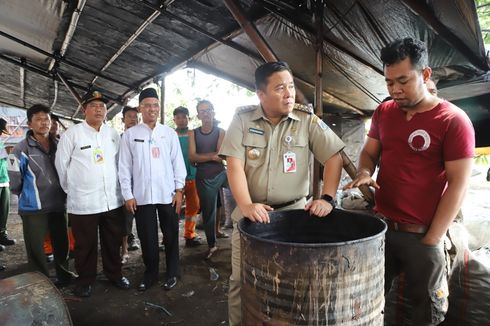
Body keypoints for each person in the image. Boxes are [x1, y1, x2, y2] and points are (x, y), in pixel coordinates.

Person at [344, 38, 474, 325]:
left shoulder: (453, 120)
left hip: (423, 235)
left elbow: (458, 185)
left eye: (403, 80)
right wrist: (365, 172)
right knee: (366, 301)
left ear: (425, 74)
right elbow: (368, 152)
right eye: (389, 82)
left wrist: (433, 238)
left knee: (426, 312)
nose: (395, 90)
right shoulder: (384, 111)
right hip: (381, 230)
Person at [218, 61, 345, 325]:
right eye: (279, 88)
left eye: (290, 86)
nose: (289, 93)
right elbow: (234, 166)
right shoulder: (241, 121)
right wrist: (247, 204)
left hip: (293, 215)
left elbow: (334, 157)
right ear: (261, 94)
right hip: (251, 215)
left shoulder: (306, 120)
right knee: (242, 280)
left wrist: (327, 198)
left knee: (291, 281)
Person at [55, 90, 130, 297]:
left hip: (111, 201)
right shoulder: (73, 134)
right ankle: (85, 280)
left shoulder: (113, 134)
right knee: (85, 245)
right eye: (94, 106)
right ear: (84, 109)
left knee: (112, 241)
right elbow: (61, 166)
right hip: (83, 202)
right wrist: (73, 190)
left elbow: (120, 164)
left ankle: (114, 274)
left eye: (102, 106)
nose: (99, 109)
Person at [118, 88, 186, 291]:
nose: (152, 109)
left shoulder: (168, 133)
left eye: (155, 105)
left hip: (168, 195)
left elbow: (178, 163)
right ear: (140, 108)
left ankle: (173, 272)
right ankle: (151, 274)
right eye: (147, 105)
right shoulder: (130, 135)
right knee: (147, 237)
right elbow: (124, 167)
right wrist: (128, 195)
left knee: (171, 234)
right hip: (142, 196)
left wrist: (179, 190)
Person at [8, 104, 75, 286]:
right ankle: (42, 283)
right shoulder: (20, 150)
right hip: (33, 208)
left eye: (46, 119)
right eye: (38, 119)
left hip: (59, 204)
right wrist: (29, 194)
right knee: (36, 249)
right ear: (30, 124)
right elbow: (14, 181)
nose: (43, 123)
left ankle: (64, 276)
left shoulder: (59, 144)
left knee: (61, 244)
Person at [189, 100, 228, 259]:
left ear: (214, 112)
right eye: (202, 111)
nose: (206, 113)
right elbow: (192, 157)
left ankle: (247, 235)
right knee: (208, 212)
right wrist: (211, 156)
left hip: (222, 173)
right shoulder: (193, 133)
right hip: (204, 178)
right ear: (198, 115)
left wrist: (203, 157)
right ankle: (212, 245)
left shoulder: (221, 131)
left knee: (244, 196)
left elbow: (220, 156)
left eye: (209, 110)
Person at [173, 106, 201, 248]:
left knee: (193, 207)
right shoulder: (170, 134)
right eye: (178, 117)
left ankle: (190, 235)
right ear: (174, 120)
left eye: (184, 117)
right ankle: (168, 238)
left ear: (188, 118)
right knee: (173, 208)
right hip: (175, 179)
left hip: (193, 176)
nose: (181, 120)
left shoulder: (193, 134)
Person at [120, 106, 140, 264]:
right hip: (125, 185)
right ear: (123, 120)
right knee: (125, 218)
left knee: (141, 218)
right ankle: (124, 249)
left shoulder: (144, 137)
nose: (133, 119)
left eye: (135, 116)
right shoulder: (118, 139)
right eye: (129, 116)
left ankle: (137, 242)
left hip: (141, 185)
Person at [0, 118, 16, 247]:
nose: (1, 134)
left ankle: (2, 236)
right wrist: (5, 151)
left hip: (4, 181)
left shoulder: (1, 143)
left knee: (3, 212)